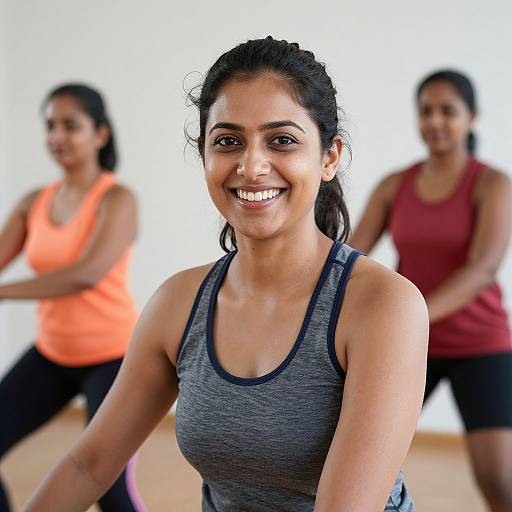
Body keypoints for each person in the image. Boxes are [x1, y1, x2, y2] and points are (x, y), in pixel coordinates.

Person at [22, 38, 428, 512]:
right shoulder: (178, 303)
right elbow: (87, 466)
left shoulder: (383, 305)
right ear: (205, 156)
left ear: (329, 157)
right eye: (228, 141)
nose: (251, 166)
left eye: (282, 140)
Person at [350, 70, 512, 511]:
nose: (435, 121)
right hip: (411, 344)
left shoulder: (492, 184)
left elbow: (482, 270)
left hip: (479, 343)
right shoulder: (395, 184)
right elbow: (351, 255)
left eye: (448, 111)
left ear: (471, 118)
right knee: (356, 455)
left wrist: (411, 314)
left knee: (498, 475)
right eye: (426, 111)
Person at [0, 84, 145, 511]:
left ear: (100, 134)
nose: (57, 136)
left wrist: (4, 293)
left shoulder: (117, 200)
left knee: (108, 487)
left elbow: (86, 274)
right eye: (50, 126)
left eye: (70, 125)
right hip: (53, 354)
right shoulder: (34, 203)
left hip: (114, 358)